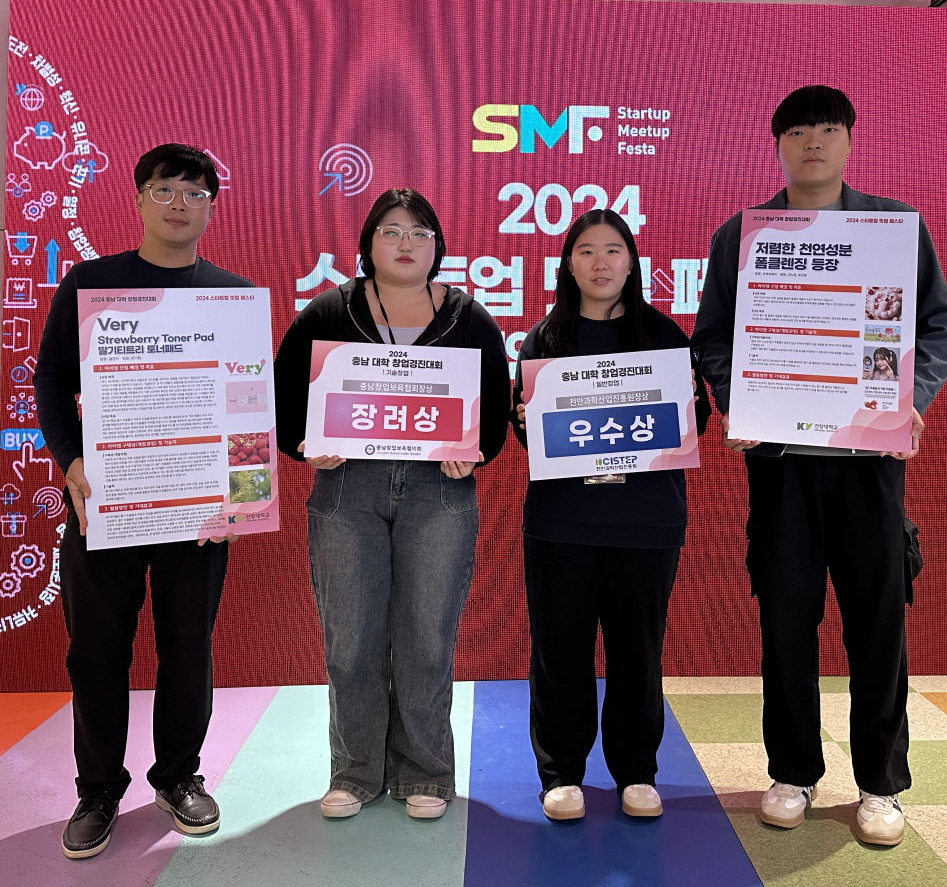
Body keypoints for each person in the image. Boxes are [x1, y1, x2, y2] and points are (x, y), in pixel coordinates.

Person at [692, 86, 947, 847]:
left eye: (828, 128)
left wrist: (912, 399)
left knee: (878, 624)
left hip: (868, 461)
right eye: (799, 130)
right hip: (780, 465)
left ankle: (881, 783)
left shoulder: (894, 228)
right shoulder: (743, 235)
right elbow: (712, 337)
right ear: (778, 144)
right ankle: (792, 772)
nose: (813, 141)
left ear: (849, 140)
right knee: (785, 622)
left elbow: (937, 324)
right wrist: (736, 400)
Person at [35, 144, 252, 860]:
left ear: (211, 207)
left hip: (198, 511)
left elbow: (248, 405)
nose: (178, 204)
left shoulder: (228, 296)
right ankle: (97, 789)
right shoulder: (92, 285)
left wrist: (240, 499)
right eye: (164, 190)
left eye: (194, 193)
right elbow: (51, 379)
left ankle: (178, 777)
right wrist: (71, 463)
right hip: (109, 501)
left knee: (188, 647)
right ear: (138, 199)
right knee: (96, 651)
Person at [273, 188, 510, 821]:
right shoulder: (329, 311)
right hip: (347, 490)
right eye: (391, 232)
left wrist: (476, 454)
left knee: (427, 638)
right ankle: (354, 772)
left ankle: (425, 772)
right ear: (368, 243)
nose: (406, 244)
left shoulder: (468, 316)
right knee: (351, 639)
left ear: (437, 245)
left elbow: (493, 408)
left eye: (419, 233)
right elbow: (284, 400)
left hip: (440, 492)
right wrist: (305, 447)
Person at [511, 210, 711, 822]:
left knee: (637, 653)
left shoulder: (665, 336)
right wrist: (523, 421)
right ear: (568, 265)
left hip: (645, 523)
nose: (600, 262)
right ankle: (561, 773)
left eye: (613, 250)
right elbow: (531, 437)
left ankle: (637, 771)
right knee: (559, 651)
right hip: (562, 523)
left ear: (631, 262)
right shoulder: (543, 340)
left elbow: (694, 423)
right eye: (586, 251)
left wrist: (690, 404)